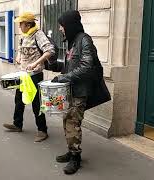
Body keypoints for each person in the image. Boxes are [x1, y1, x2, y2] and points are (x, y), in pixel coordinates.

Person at [51, 10, 111, 175]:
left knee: (72, 123)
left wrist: (63, 78)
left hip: (80, 91)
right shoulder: (72, 41)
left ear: (69, 25)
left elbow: (86, 67)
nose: (60, 29)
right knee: (67, 120)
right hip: (71, 90)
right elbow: (69, 65)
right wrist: (52, 64)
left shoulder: (84, 40)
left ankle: (75, 158)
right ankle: (71, 151)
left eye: (62, 26)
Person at [2, 12, 55, 142]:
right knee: (18, 100)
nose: (19, 26)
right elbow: (21, 49)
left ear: (28, 24)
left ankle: (42, 130)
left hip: (35, 75)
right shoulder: (24, 35)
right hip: (23, 75)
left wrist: (36, 63)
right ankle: (17, 124)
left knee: (37, 104)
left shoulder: (38, 34)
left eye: (21, 23)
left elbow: (50, 50)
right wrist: (19, 56)